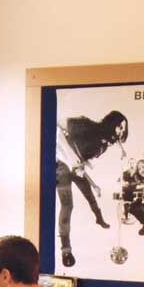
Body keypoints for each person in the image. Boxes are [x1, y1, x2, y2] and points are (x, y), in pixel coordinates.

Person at [52, 110, 127, 268]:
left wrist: (88, 170)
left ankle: (99, 219)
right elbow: (55, 126)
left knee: (90, 195)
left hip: (77, 168)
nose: (122, 131)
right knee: (68, 206)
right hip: (61, 167)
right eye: (120, 127)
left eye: (123, 129)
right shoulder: (87, 125)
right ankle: (66, 250)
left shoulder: (104, 145)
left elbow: (82, 158)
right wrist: (70, 157)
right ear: (111, 123)